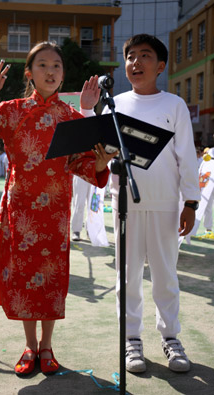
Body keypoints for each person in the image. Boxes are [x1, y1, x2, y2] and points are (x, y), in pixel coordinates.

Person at [0, 41, 115, 375]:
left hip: (56, 214)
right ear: (30, 74)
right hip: (21, 212)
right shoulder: (12, 109)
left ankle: (47, 346)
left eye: (57, 66)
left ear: (63, 75)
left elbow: (83, 166)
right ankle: (30, 346)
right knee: (24, 280)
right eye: (43, 65)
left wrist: (101, 164)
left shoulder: (71, 117)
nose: (51, 71)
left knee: (51, 280)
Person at [85, 34, 200, 373]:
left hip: (166, 204)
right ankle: (131, 339)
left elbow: (186, 158)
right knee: (128, 275)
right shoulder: (114, 105)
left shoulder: (174, 105)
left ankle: (170, 337)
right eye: (131, 56)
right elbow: (101, 154)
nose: (136, 62)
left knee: (165, 276)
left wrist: (190, 202)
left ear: (160, 66)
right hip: (125, 207)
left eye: (145, 56)